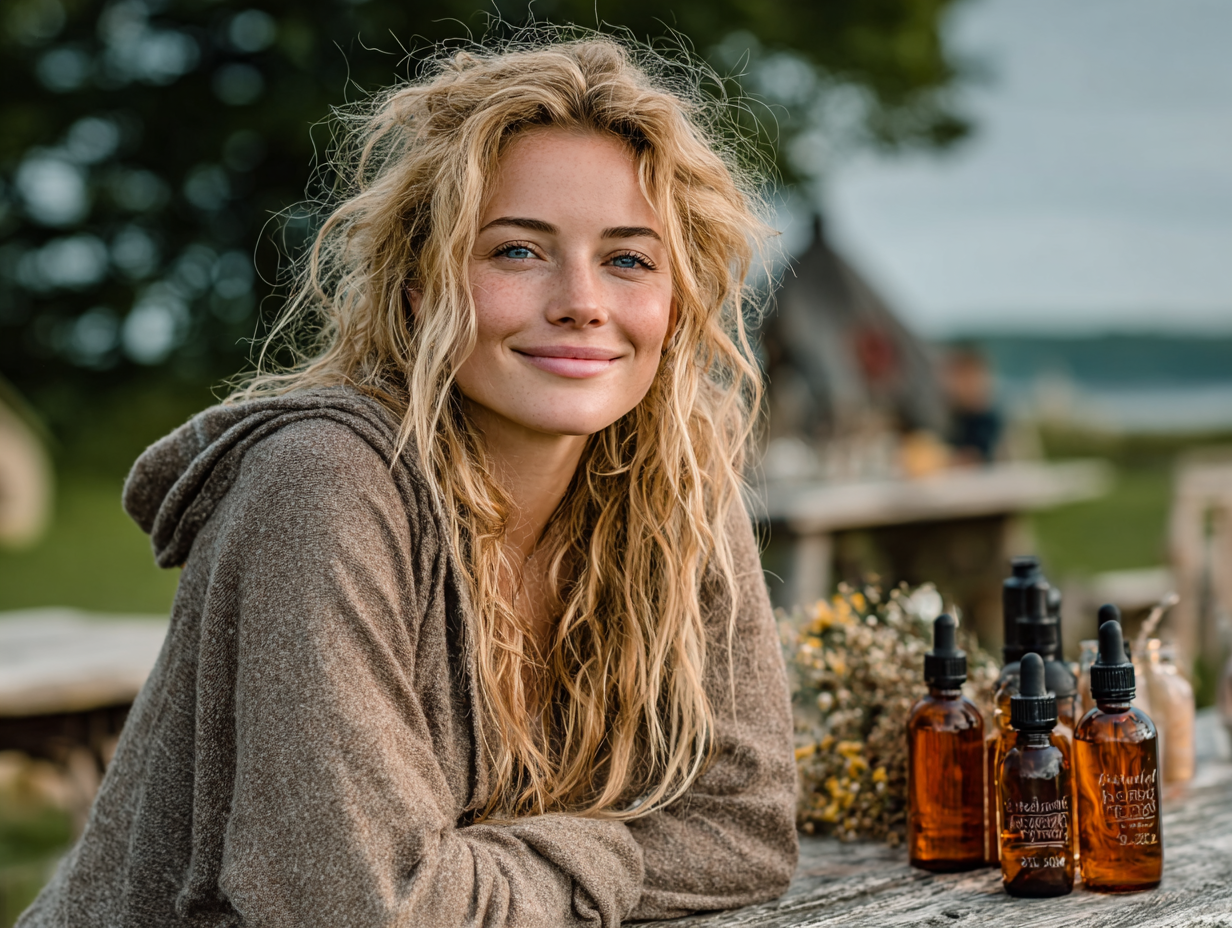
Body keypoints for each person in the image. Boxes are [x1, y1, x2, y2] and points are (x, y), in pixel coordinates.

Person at [18, 35, 798, 928]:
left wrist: (473, 873)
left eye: (628, 259)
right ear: (423, 288)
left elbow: (748, 834)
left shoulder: (676, 488)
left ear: (677, 298)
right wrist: (608, 848)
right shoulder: (324, 487)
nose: (583, 300)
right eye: (516, 251)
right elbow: (364, 906)